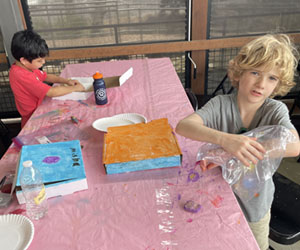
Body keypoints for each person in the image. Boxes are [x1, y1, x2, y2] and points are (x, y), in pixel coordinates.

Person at [175, 34, 300, 250]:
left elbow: (294, 145)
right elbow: (183, 126)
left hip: (255, 206)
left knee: (254, 245)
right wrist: (225, 140)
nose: (261, 84)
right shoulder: (221, 104)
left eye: (272, 78)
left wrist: (234, 148)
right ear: (239, 72)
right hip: (217, 199)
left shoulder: (274, 110)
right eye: (255, 73)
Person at [9, 30, 85, 128]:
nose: (43, 62)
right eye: (39, 60)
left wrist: (66, 81)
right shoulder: (20, 75)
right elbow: (52, 92)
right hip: (33, 118)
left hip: (41, 108)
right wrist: (75, 88)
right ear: (23, 60)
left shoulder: (27, 67)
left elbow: (46, 76)